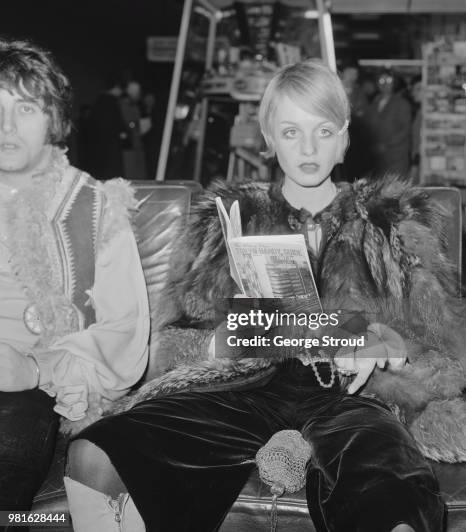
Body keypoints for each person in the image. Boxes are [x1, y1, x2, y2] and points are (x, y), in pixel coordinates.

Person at [64, 60, 466, 532]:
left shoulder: (395, 222)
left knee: (393, 497)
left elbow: (443, 351)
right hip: (243, 384)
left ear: (344, 137)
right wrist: (230, 334)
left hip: (357, 395)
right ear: (270, 140)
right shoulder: (227, 218)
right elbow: (178, 340)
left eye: (323, 130)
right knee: (95, 454)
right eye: (291, 132)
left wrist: (383, 342)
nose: (309, 148)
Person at [0, 38, 150, 520]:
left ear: (54, 118)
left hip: (33, 392)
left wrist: (37, 371)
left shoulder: (95, 209)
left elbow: (124, 334)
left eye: (24, 108)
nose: (5, 126)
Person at [363, 70, 412, 177]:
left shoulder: (402, 103)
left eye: (388, 80)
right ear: (377, 84)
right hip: (377, 158)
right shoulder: (373, 103)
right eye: (381, 80)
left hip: (396, 157)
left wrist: (386, 145)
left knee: (396, 189)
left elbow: (405, 130)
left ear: (394, 83)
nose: (385, 84)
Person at [81, 73, 129, 180]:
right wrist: (124, 133)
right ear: (116, 88)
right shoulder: (111, 102)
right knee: (112, 176)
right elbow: (117, 125)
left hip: (98, 149)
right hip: (111, 147)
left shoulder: (98, 102)